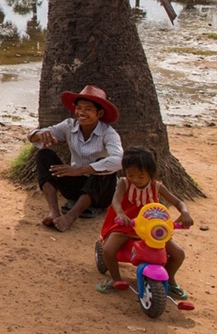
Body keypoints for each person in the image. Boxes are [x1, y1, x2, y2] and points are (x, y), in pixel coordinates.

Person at [96, 147, 193, 296]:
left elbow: (179, 202)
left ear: (151, 173)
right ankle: (115, 279)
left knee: (178, 254)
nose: (134, 179)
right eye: (130, 175)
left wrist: (185, 213)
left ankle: (170, 278)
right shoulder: (124, 183)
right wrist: (121, 214)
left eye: (140, 176)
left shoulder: (156, 186)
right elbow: (116, 200)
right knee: (108, 249)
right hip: (128, 225)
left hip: (152, 228)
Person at [28, 85, 124, 232]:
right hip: (75, 188)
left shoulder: (108, 133)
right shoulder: (69, 126)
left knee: (102, 165)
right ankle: (54, 211)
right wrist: (39, 134)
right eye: (79, 108)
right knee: (44, 155)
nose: (81, 113)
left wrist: (79, 170)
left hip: (102, 193)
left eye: (88, 109)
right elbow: (35, 136)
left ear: (100, 113)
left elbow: (119, 160)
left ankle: (70, 217)